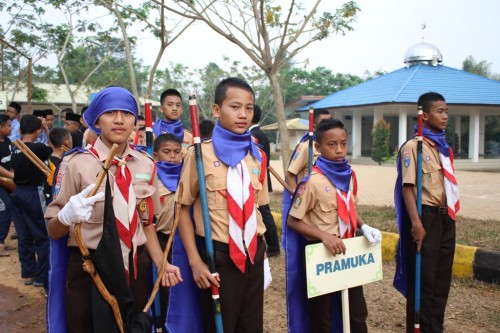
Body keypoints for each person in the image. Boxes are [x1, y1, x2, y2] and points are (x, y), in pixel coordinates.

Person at [45, 86, 182, 332]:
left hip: (135, 268)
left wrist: (163, 264)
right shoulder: (76, 164)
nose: (119, 120)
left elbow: (147, 224)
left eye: (127, 113)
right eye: (111, 113)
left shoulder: (146, 164)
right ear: (98, 118)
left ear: (134, 120)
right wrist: (66, 216)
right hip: (90, 268)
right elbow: (54, 230)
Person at [176, 77, 270, 332]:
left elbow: (259, 209)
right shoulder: (198, 155)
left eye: (248, 108)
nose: (243, 115)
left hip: (253, 255)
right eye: (235, 107)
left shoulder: (257, 156)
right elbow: (182, 208)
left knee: (251, 327)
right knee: (220, 326)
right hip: (219, 257)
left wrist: (264, 256)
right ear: (217, 110)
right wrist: (195, 262)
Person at [286, 118, 381, 333]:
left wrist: (364, 226)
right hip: (321, 255)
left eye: (343, 143)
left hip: (348, 252)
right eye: (332, 144)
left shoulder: (348, 175)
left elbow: (348, 210)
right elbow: (293, 220)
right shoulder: (311, 182)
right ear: (318, 147)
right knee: (323, 317)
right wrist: (324, 236)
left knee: (356, 313)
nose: (339, 150)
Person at [394, 92, 459, 333]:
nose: (444, 116)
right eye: (439, 111)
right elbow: (408, 188)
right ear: (424, 114)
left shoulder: (442, 147)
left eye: (446, 112)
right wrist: (416, 223)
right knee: (424, 282)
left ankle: (436, 329)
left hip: (445, 218)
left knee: (441, 281)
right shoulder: (414, 147)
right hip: (426, 218)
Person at [11, 115, 53, 288]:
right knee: (42, 235)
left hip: (17, 193)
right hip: (34, 193)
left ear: (20, 130)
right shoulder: (39, 148)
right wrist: (47, 129)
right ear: (38, 131)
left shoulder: (15, 148)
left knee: (23, 234)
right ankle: (41, 276)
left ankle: (28, 274)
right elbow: (54, 147)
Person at [281, 109, 331, 248]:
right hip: (309, 205)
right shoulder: (306, 147)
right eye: (323, 123)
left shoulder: (331, 147)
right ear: (313, 127)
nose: (328, 125)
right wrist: (296, 195)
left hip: (326, 206)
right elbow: (290, 174)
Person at [152, 133, 183, 332]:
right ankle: (162, 324)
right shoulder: (151, 177)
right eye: (166, 152)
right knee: (163, 286)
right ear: (155, 155)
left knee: (181, 285)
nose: (172, 156)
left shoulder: (187, 174)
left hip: (183, 241)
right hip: (160, 240)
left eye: (177, 152)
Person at [250, 105, 280, 257]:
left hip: (259, 178)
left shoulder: (254, 135)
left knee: (264, 212)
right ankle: (273, 245)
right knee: (264, 212)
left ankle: (273, 246)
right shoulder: (257, 133)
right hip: (260, 178)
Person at [152, 89, 193, 155]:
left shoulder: (189, 137)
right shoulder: (152, 133)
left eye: (178, 105)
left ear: (181, 109)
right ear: (161, 109)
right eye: (170, 104)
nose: (174, 108)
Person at [44, 127, 72, 203]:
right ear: (67, 142)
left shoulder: (48, 160)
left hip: (46, 199)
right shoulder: (61, 164)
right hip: (56, 201)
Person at [0, 114, 14, 257]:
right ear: (1, 128)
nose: (11, 128)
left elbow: (9, 162)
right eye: (9, 125)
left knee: (9, 208)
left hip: (6, 183)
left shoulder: (8, 141)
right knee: (5, 208)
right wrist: (11, 176)